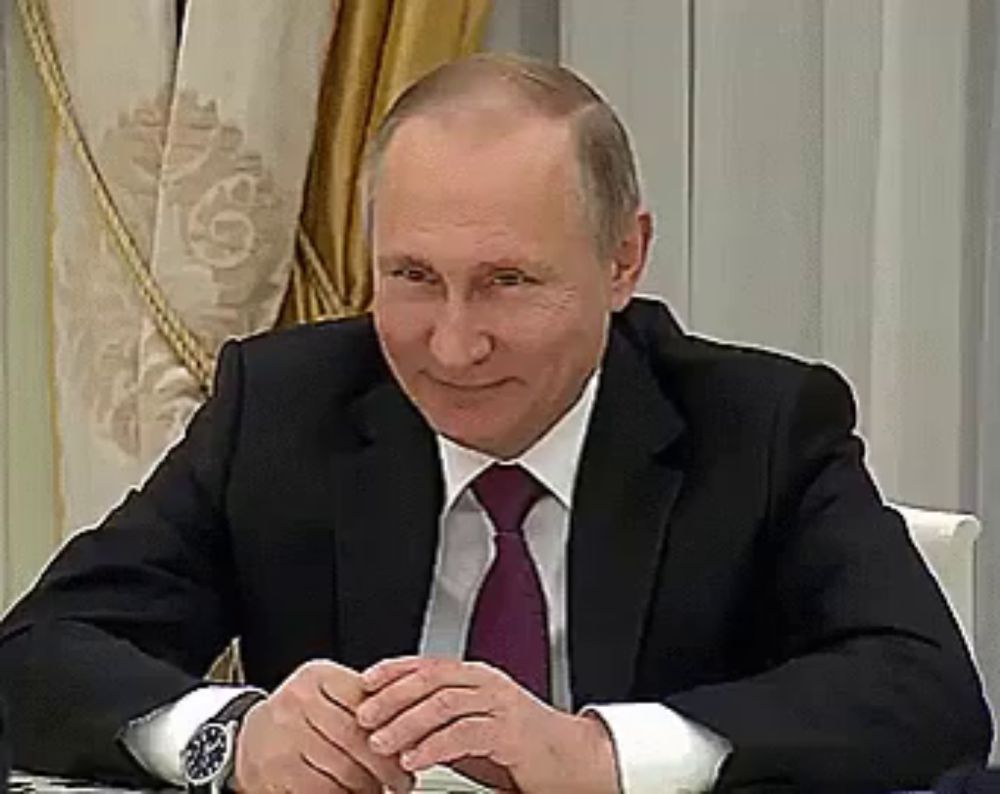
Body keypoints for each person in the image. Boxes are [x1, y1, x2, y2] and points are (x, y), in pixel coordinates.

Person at [0, 53, 991, 794]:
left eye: (508, 282)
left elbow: (926, 695)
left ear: (621, 258)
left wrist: (594, 751)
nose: (452, 344)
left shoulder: (762, 422)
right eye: (412, 278)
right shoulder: (282, 405)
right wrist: (234, 734)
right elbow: (39, 649)